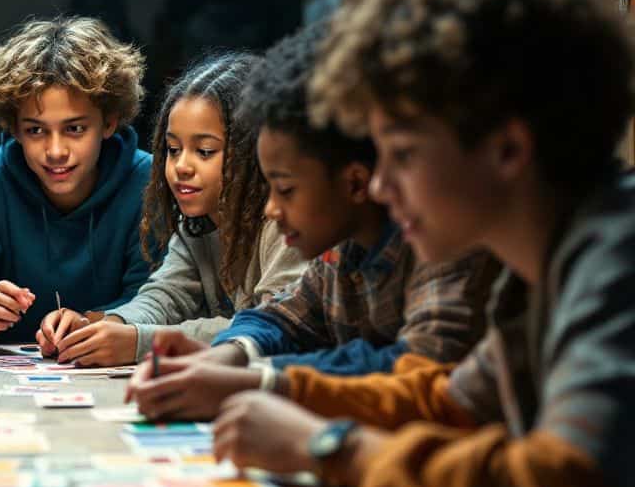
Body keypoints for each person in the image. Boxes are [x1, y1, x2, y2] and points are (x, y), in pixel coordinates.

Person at [207, 0, 635, 487]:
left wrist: (330, 446)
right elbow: (446, 402)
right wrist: (267, 390)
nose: (377, 184)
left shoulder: (616, 258)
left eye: (401, 153)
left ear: (507, 148)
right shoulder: (545, 266)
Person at [127, 21, 497, 420]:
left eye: (284, 189)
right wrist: (227, 356)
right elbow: (283, 318)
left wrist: (264, 380)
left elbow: (422, 367)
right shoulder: (340, 250)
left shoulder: (445, 242)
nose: (384, 183)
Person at [38, 52, 307, 366]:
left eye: (204, 151)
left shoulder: (284, 220)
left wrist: (143, 342)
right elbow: (166, 295)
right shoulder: (197, 220)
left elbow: (273, 326)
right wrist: (106, 325)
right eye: (173, 149)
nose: (181, 166)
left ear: (256, 151)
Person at [0, 16, 157, 346]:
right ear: (13, 128)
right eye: (36, 130)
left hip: (103, 364)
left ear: (110, 122)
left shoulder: (146, 181)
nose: (55, 151)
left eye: (74, 129)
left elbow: (155, 298)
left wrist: (90, 322)